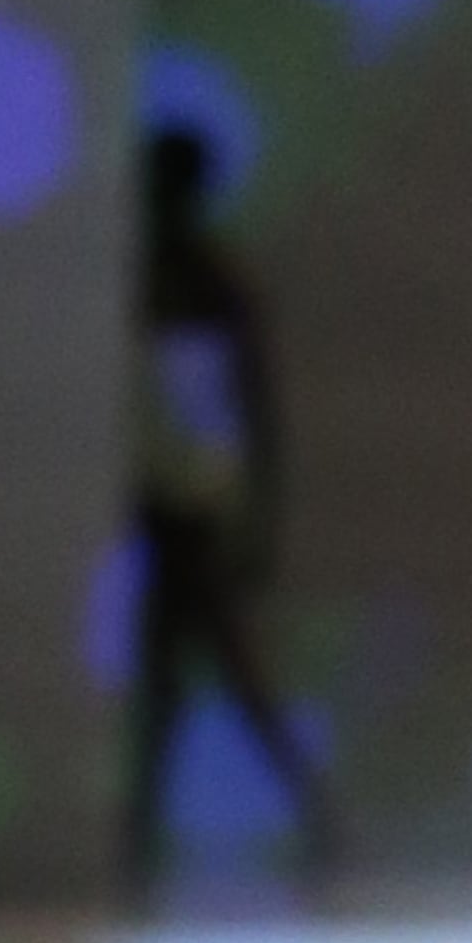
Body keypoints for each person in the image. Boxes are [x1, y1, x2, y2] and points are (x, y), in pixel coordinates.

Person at [126, 122, 337, 887]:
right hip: (154, 495)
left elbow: (253, 409)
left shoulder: (211, 281)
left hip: (192, 498)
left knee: (211, 672)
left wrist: (256, 520)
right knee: (179, 676)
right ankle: (142, 835)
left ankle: (314, 818)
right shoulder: (148, 276)